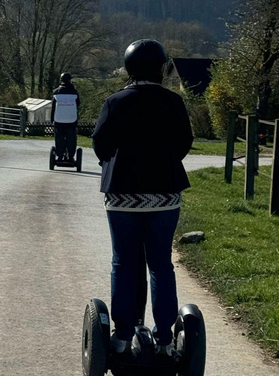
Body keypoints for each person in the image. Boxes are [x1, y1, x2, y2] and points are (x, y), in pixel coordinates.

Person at [91, 39, 193, 357]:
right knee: (161, 264)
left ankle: (121, 337)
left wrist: (116, 163)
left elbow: (100, 144)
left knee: (124, 262)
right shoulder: (173, 102)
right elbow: (184, 143)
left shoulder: (115, 101)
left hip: (122, 195)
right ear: (161, 69)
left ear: (129, 67)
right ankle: (164, 339)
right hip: (164, 195)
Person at [51, 72, 80, 162]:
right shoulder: (74, 92)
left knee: (59, 137)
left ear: (61, 80)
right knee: (71, 137)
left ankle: (59, 155)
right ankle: (71, 156)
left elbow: (53, 107)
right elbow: (78, 104)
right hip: (71, 119)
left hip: (58, 119)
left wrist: (52, 119)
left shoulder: (56, 92)